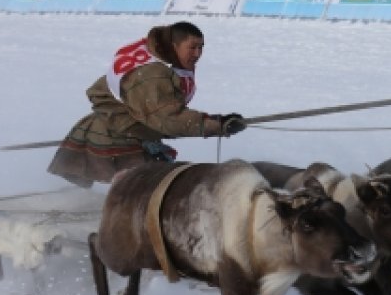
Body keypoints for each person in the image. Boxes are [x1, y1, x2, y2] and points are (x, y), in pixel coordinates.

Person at [47, 22, 244, 187]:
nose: (198, 54)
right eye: (192, 47)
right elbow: (167, 118)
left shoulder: (157, 54)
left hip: (125, 125)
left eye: (201, 47)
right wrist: (216, 124)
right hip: (116, 134)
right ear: (174, 44)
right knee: (146, 189)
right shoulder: (152, 74)